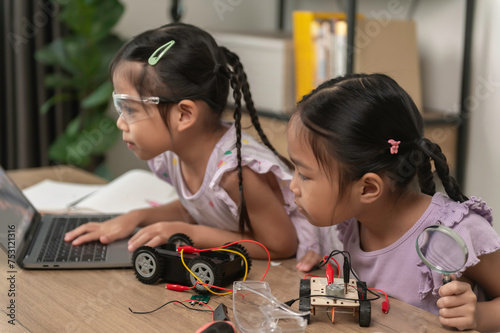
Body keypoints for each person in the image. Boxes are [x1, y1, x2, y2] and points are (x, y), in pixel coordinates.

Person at [64, 22, 338, 265]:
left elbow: (280, 246)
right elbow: (201, 207)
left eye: (130, 109)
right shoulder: (174, 154)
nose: (120, 122)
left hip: (300, 268)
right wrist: (137, 217)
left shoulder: (235, 174)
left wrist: (191, 235)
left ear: (184, 115)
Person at [286, 73, 500, 331]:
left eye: (304, 174)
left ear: (367, 188)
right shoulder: (353, 220)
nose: (292, 185)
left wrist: (478, 315)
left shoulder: (457, 231)